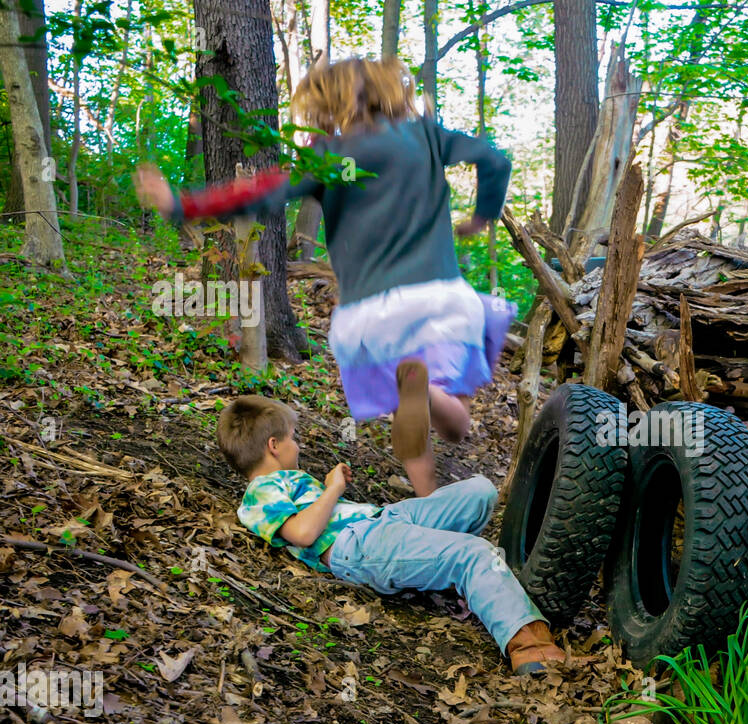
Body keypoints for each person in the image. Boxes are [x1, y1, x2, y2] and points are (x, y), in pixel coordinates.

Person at [134, 57, 515, 498]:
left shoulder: (328, 157)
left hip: (368, 317)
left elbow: (259, 191)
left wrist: (183, 204)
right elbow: (494, 160)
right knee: (456, 422)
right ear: (387, 91)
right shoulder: (424, 135)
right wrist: (481, 216)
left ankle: (429, 499)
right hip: (437, 298)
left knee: (403, 415)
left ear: (326, 106)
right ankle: (431, 393)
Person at [215, 393, 565, 676]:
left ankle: (452, 571)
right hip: (359, 544)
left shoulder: (287, 481)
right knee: (472, 552)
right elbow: (304, 533)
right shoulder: (259, 492)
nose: (299, 446)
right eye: (294, 438)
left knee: (479, 492)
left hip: (384, 521)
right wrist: (332, 489)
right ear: (274, 446)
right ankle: (532, 650)